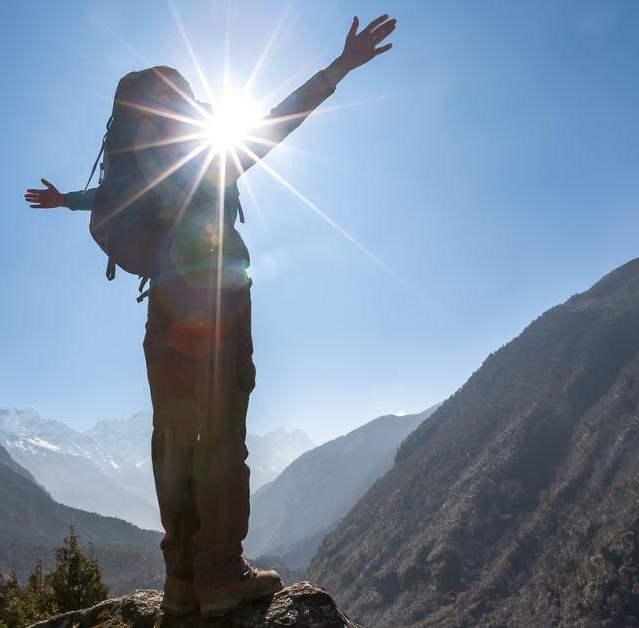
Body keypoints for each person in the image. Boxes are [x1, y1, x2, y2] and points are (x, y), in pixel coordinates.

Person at [24, 14, 396, 617]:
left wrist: (66, 198)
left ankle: (180, 584)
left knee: (173, 440)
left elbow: (109, 200)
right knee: (221, 435)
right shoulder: (204, 158)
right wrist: (338, 68)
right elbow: (278, 121)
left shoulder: (138, 169)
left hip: (163, 311)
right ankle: (220, 570)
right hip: (218, 305)